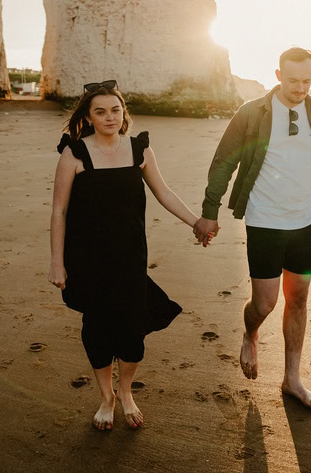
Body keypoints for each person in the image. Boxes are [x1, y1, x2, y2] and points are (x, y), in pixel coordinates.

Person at [194, 48, 311, 411]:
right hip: (265, 221)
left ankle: (292, 378)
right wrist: (209, 212)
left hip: (309, 222)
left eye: (307, 81)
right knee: (265, 302)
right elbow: (223, 161)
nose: (300, 87)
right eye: (293, 80)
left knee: (299, 297)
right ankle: (250, 334)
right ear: (278, 75)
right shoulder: (252, 114)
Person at [48, 80, 201, 431]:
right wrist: (57, 261)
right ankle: (106, 398)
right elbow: (58, 211)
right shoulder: (74, 153)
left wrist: (196, 222)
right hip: (86, 259)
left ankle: (126, 391)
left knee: (133, 330)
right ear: (88, 116)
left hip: (131, 257)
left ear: (123, 112)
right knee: (98, 328)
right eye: (100, 111)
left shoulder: (140, 150)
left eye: (115, 110)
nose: (109, 117)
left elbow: (164, 193)